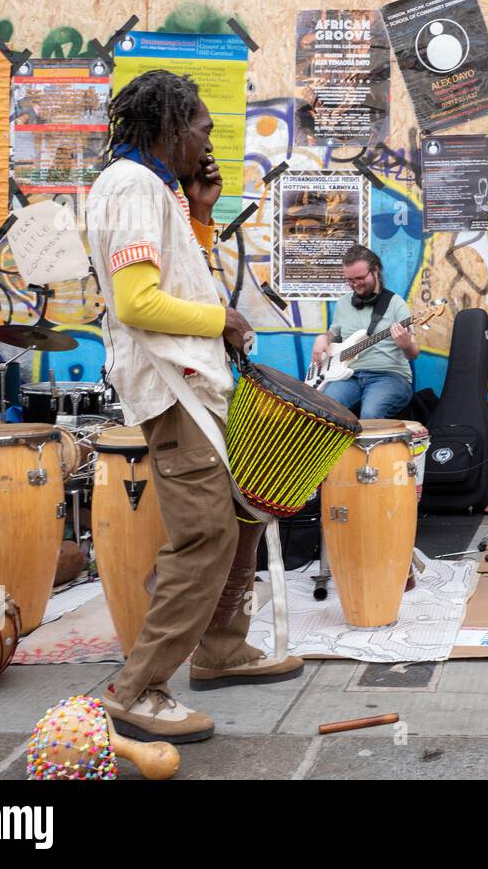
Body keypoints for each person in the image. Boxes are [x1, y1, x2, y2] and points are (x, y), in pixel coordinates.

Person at [88, 70, 302, 743]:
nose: (212, 140)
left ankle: (220, 648)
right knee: (206, 533)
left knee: (239, 516)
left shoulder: (158, 189)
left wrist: (203, 214)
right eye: (204, 128)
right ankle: (137, 688)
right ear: (171, 127)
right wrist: (223, 322)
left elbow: (180, 276)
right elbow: (137, 303)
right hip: (173, 389)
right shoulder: (130, 187)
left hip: (193, 382)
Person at [310, 245, 418, 419]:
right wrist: (323, 338)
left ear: (375, 270)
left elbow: (413, 354)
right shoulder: (344, 303)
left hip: (389, 377)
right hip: (348, 377)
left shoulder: (396, 304)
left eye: (360, 278)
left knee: (370, 414)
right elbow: (334, 334)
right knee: (322, 410)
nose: (355, 284)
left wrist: (406, 346)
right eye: (350, 280)